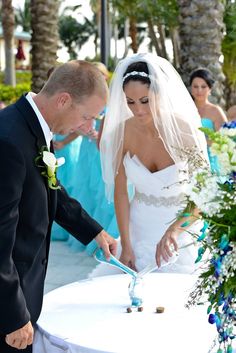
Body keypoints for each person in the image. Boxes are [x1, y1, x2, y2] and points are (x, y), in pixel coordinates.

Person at [0, 60, 117, 353]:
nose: (89, 127)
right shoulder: (10, 140)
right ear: (64, 100)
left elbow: (51, 188)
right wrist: (13, 315)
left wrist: (94, 231)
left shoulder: (34, 126)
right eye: (88, 116)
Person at [89, 53, 209, 278]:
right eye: (130, 102)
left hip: (180, 229)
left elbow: (203, 194)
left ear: (159, 94)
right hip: (137, 228)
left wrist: (175, 230)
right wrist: (126, 243)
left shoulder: (186, 131)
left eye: (145, 101)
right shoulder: (123, 132)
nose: (138, 110)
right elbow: (121, 192)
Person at [67, 62, 119, 255]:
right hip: (90, 147)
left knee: (101, 189)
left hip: (105, 151)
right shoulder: (86, 97)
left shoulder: (113, 102)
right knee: (88, 185)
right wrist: (88, 132)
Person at [190, 68, 227, 172]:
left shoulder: (216, 111)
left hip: (212, 163)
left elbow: (224, 141)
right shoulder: (185, 110)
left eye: (203, 86)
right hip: (190, 162)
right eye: (195, 86)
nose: (199, 90)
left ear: (210, 89)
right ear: (190, 88)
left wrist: (201, 141)